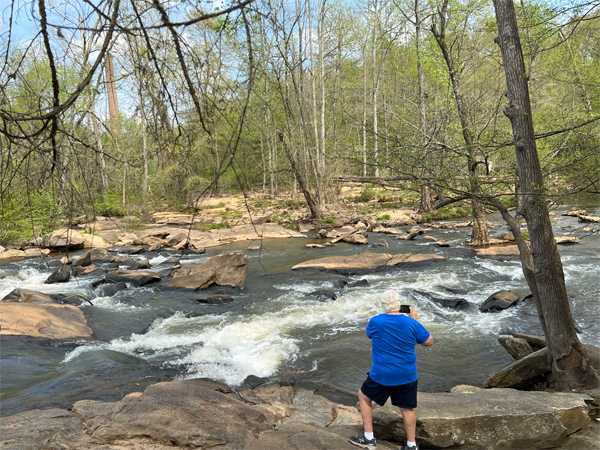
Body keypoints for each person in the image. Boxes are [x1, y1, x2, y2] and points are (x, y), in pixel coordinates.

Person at [349, 290, 433, 450]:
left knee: (364, 397)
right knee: (407, 408)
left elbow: (369, 334)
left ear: (383, 306)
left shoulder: (376, 321)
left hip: (382, 374)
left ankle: (368, 439)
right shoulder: (412, 323)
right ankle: (411, 445)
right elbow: (429, 342)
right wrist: (416, 321)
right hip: (407, 374)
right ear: (400, 305)